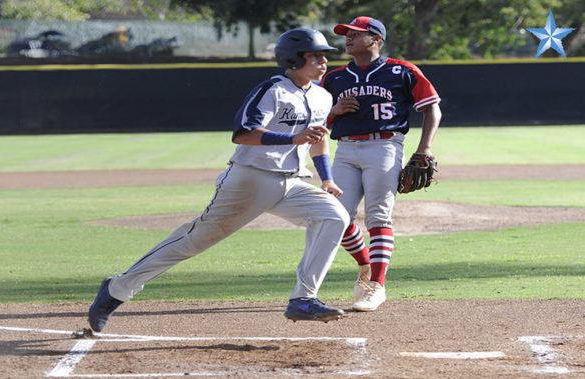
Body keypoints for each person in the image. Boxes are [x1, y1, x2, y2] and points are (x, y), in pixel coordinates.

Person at [88, 28, 350, 332]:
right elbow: (243, 134)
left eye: (324, 55)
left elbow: (318, 139)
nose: (323, 61)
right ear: (294, 58)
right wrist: (293, 138)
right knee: (193, 242)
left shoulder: (322, 95)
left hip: (292, 183)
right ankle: (116, 290)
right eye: (315, 55)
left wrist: (327, 178)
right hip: (250, 181)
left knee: (334, 217)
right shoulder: (272, 90)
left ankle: (303, 299)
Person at [321, 16, 442, 311]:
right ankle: (365, 266)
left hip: (384, 146)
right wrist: (334, 111)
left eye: (355, 34)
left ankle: (377, 286)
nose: (348, 38)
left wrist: (423, 149)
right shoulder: (334, 78)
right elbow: (314, 121)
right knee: (336, 216)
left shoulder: (401, 70)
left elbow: (432, 110)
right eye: (346, 34)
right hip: (345, 150)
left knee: (378, 218)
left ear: (376, 39)